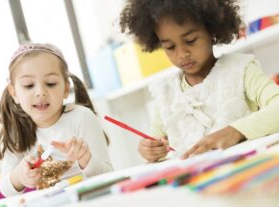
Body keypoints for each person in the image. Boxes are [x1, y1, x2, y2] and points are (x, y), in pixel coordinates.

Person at [119, 0, 279, 162]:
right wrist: (149, 150)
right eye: (170, 47)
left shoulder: (241, 70)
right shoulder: (165, 92)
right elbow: (154, 140)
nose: (182, 54)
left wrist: (234, 131)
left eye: (190, 40)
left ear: (212, 31)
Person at [0, 43, 113, 197]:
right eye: (28, 85)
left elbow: (109, 176)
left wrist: (86, 159)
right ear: (14, 93)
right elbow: (5, 189)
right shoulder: (16, 131)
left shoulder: (81, 117)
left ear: (65, 88)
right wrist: (19, 176)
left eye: (50, 83)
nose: (40, 92)